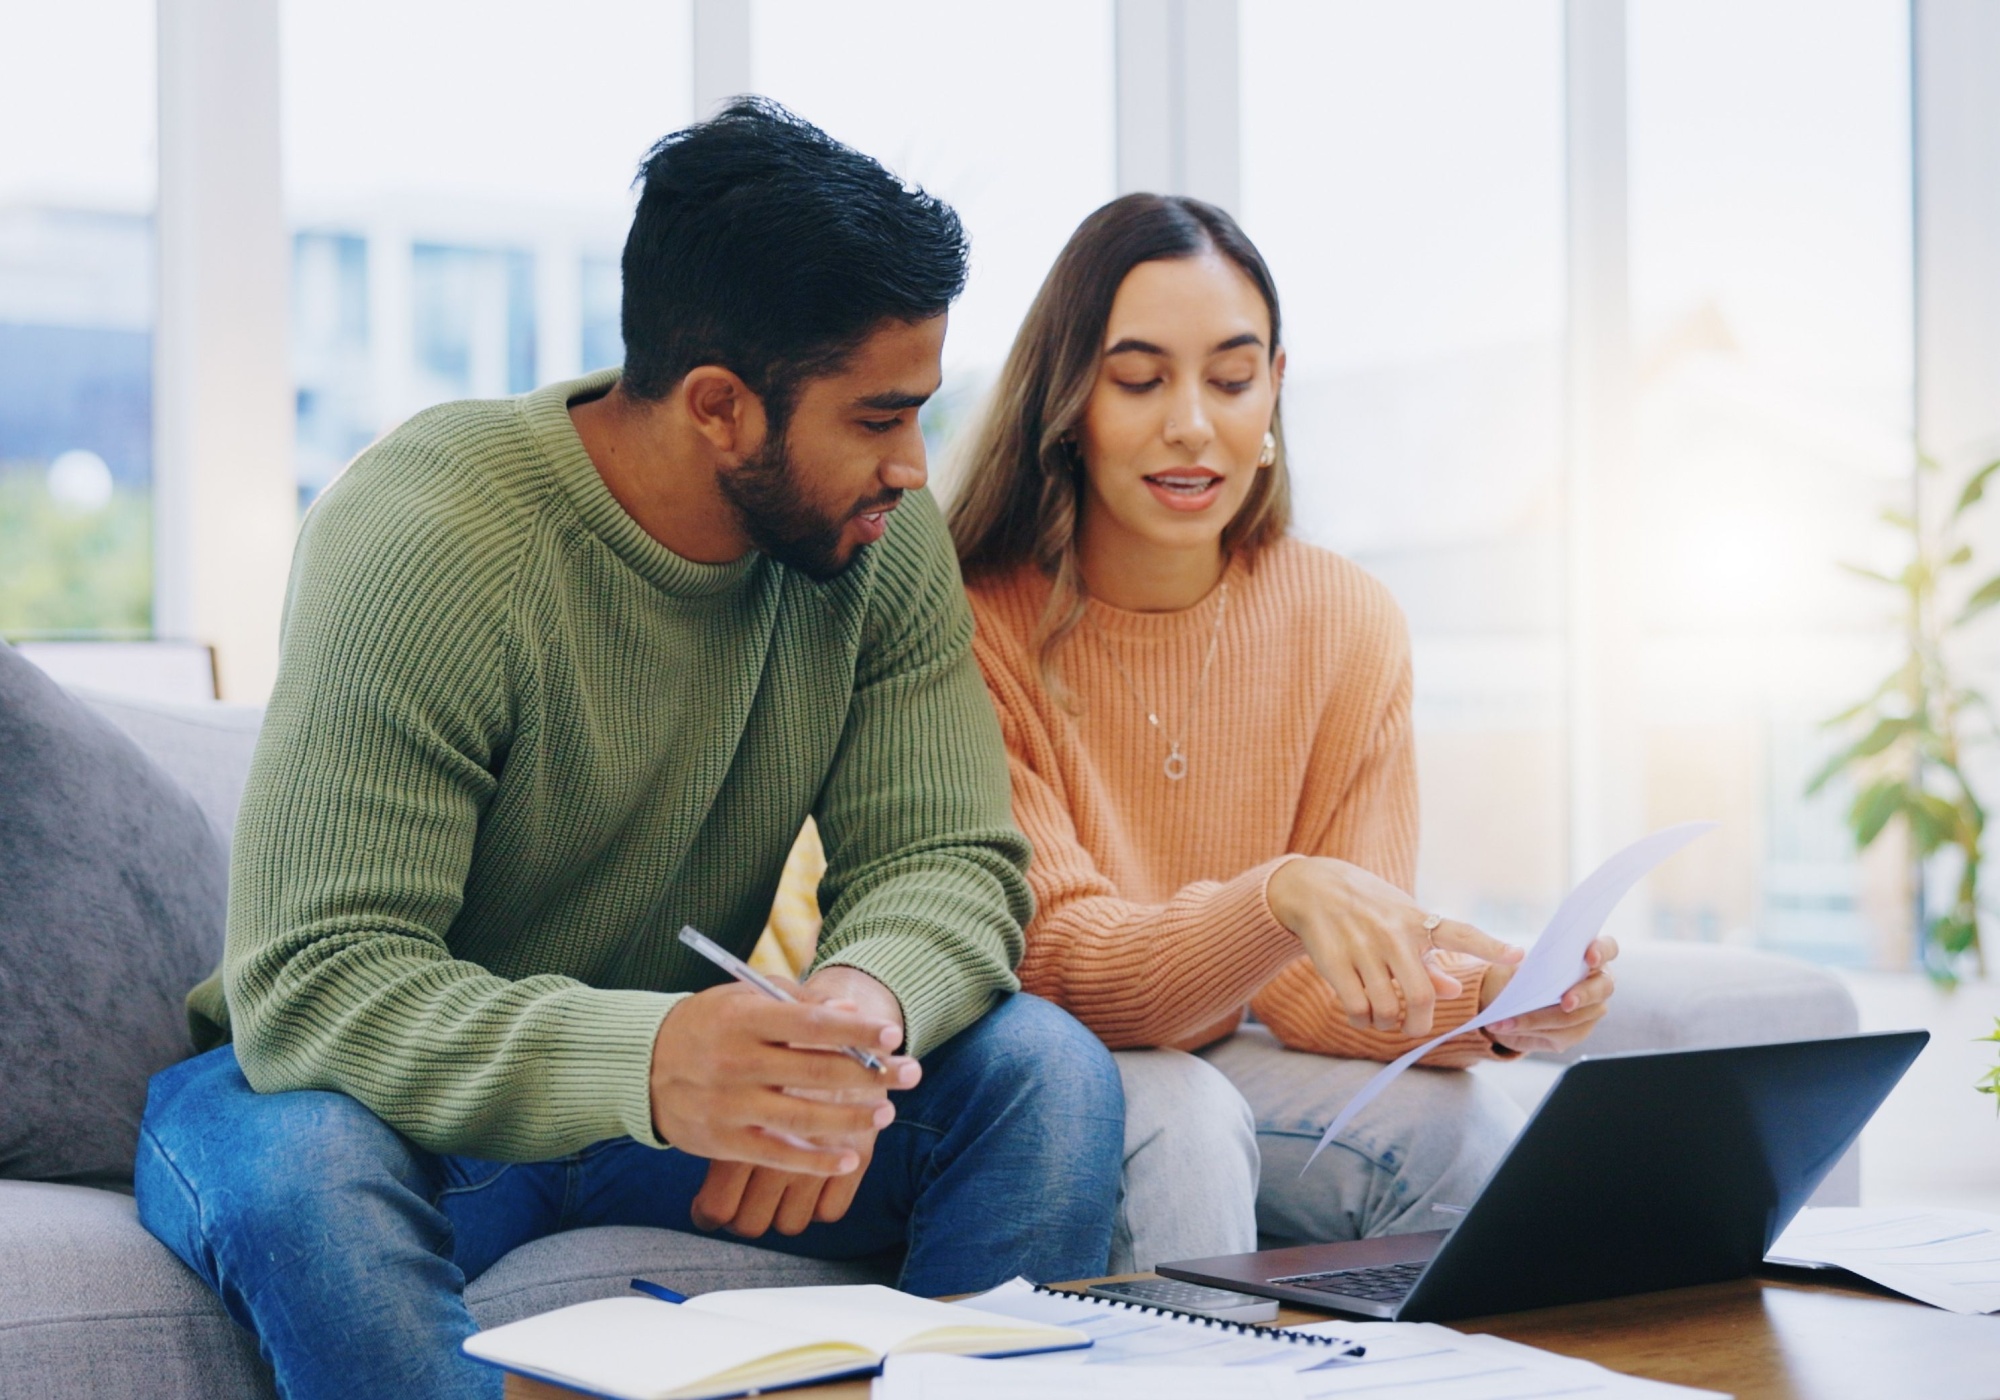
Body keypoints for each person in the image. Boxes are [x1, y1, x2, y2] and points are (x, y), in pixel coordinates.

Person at [135, 101, 1125, 1399]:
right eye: (878, 417)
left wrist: (849, 1020)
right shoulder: (428, 536)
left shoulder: (878, 544)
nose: (912, 466)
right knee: (303, 1170)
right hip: (373, 1105)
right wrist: (651, 1062)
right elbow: (315, 987)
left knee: (1044, 1075)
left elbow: (951, 862)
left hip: (681, 1112)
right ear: (719, 405)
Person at [948, 193, 1618, 1273]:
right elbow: (1060, 964)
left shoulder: (1344, 618)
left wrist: (1488, 998)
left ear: (1273, 390)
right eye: (1137, 378)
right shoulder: (973, 621)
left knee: (1461, 1126)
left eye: (1228, 377)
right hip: (1046, 1058)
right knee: (1188, 1120)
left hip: (1218, 1052)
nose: (1190, 424)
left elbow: (1314, 981)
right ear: (1066, 398)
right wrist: (1276, 894)